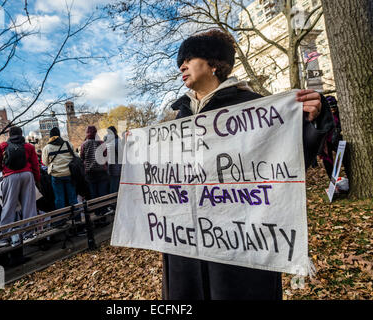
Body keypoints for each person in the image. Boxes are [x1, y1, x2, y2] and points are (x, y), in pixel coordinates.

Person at [163, 29, 335, 300]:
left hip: (240, 242)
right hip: (185, 248)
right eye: (179, 62)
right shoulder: (176, 121)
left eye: (188, 58)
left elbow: (290, 158)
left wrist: (315, 119)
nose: (181, 66)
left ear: (214, 64)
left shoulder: (258, 110)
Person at [0, 126, 40, 246]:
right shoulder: (29, 147)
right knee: (29, 206)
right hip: (27, 175)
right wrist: (36, 179)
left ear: (9, 135)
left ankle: (4, 238)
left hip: (10, 177)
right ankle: (28, 234)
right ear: (21, 134)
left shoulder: (2, 146)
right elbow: (35, 165)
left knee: (8, 206)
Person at [42, 127, 78, 220]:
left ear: (50, 136)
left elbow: (45, 163)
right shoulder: (68, 144)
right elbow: (76, 156)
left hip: (56, 175)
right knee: (72, 198)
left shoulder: (47, 148)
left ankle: (62, 220)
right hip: (69, 174)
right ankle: (77, 218)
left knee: (59, 199)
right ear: (59, 135)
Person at [80, 126, 109, 217]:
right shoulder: (101, 143)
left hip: (90, 172)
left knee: (94, 194)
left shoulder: (84, 144)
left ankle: (97, 213)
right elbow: (106, 155)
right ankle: (103, 212)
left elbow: (82, 157)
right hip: (101, 171)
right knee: (102, 193)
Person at [105, 126, 122, 194]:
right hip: (116, 167)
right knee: (115, 186)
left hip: (109, 167)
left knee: (112, 185)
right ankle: (115, 202)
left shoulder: (106, 142)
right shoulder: (116, 141)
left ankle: (111, 202)